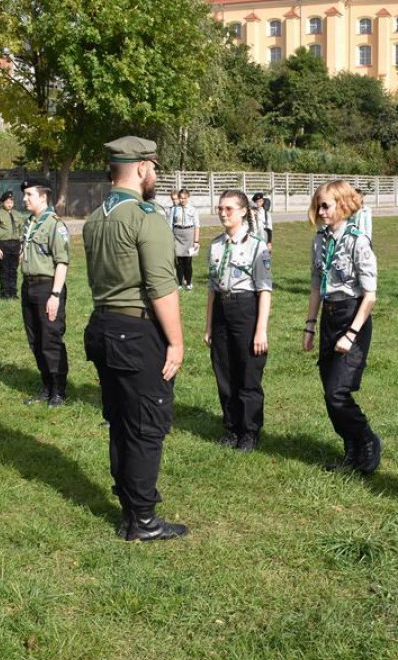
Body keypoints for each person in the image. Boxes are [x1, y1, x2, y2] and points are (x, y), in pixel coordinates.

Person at [83, 135, 186, 542]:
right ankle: (142, 520)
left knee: (121, 421)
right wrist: (176, 342)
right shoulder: (146, 217)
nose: (156, 174)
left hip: (103, 327)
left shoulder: (95, 218)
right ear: (142, 167)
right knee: (146, 425)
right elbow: (162, 287)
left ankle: (129, 508)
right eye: (154, 167)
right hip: (137, 332)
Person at [303, 180, 381, 474]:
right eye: (318, 205)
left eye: (326, 205)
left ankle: (368, 441)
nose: (320, 211)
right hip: (329, 316)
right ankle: (351, 450)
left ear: (343, 205)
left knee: (337, 392)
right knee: (329, 392)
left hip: (353, 316)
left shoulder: (358, 241)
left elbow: (370, 295)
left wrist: (351, 333)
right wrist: (310, 325)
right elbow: (315, 284)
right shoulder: (319, 239)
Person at [205, 190, 273, 452]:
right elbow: (212, 287)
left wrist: (260, 331)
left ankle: (250, 432)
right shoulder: (215, 245)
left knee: (248, 373)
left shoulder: (257, 246)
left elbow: (264, 289)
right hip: (222, 309)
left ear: (244, 211)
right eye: (220, 208)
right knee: (224, 371)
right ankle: (232, 428)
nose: (223, 213)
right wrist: (209, 325)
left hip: (246, 309)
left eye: (229, 208)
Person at [20, 178, 70, 406]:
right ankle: (46, 386)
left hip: (47, 287)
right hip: (29, 286)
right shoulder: (29, 222)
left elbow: (62, 261)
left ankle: (59, 390)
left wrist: (55, 295)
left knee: (50, 339)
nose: (24, 198)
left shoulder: (54, 224)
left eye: (29, 194)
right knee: (35, 340)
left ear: (43, 196)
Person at [0, 190, 27, 300]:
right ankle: (5, 293)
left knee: (13, 269)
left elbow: (22, 231)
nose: (9, 204)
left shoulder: (17, 214)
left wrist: (22, 248)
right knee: (4, 269)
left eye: (11, 202)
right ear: (2, 203)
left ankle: (13, 292)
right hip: (3, 244)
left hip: (15, 244)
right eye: (7, 202)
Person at [171, 188, 200, 290]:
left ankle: (188, 282)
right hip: (177, 234)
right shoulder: (174, 209)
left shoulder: (193, 210)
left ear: (188, 198)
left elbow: (197, 226)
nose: (182, 200)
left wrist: (196, 241)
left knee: (188, 261)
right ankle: (179, 283)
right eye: (181, 198)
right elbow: (170, 225)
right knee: (179, 261)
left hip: (189, 234)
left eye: (184, 198)